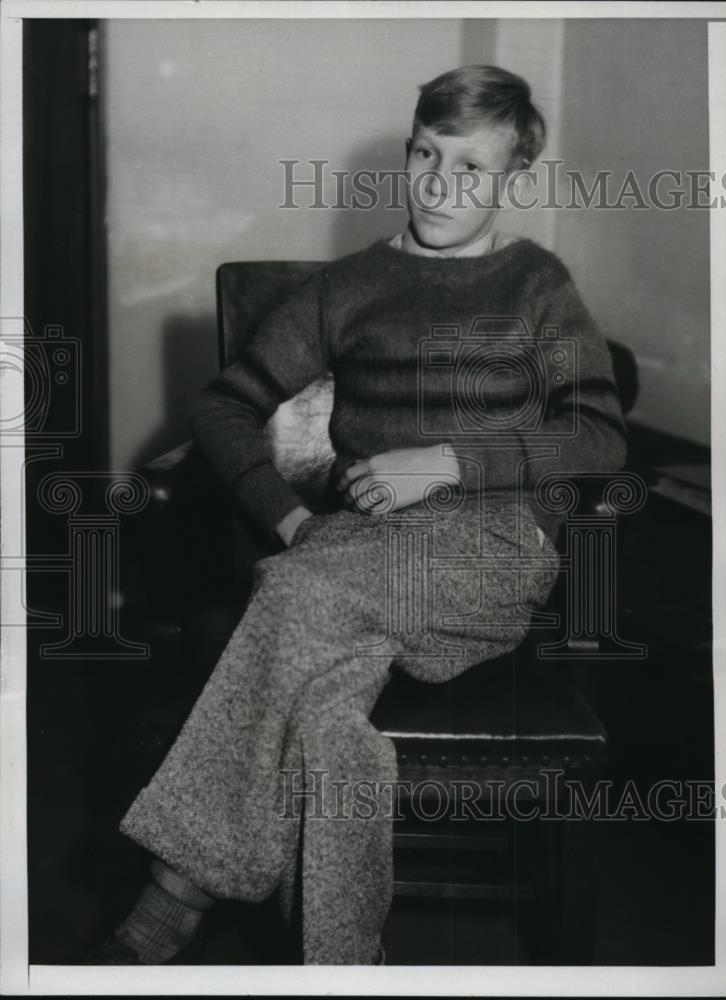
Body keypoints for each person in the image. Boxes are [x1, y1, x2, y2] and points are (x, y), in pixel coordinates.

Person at [88, 65, 627, 966]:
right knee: (330, 725)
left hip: (489, 551)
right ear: (407, 150)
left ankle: (170, 897)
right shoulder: (348, 287)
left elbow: (601, 436)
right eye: (426, 154)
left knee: (295, 599)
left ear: (514, 181)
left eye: (472, 168)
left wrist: (447, 463)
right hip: (348, 554)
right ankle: (344, 964)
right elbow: (221, 409)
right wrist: (289, 522)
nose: (441, 185)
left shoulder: (537, 284)